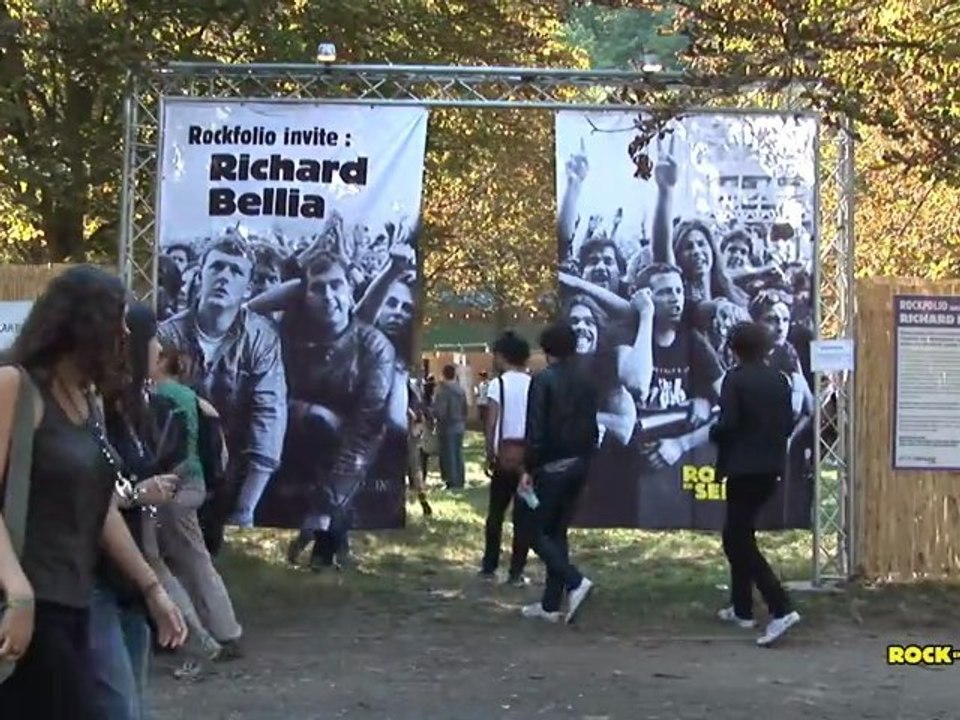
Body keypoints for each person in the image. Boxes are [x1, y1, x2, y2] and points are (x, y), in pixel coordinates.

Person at [0, 265, 186, 719]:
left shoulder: (89, 400)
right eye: (116, 320)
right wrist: (17, 589)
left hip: (72, 604)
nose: (126, 333)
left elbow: (100, 508)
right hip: (21, 609)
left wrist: (152, 588)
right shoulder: (15, 385)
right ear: (83, 324)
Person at [91, 302, 187, 720]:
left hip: (129, 577)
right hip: (95, 578)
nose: (160, 349)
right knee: (118, 706)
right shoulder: (94, 408)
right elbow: (86, 495)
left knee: (132, 703)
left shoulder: (134, 408)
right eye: (153, 341)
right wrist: (137, 493)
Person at [158, 230, 288, 528]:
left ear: (247, 288)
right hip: (179, 463)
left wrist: (245, 509)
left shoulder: (262, 337)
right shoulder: (168, 334)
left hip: (237, 465)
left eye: (236, 271)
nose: (224, 277)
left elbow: (269, 413)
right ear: (200, 275)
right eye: (216, 267)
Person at [709, 321, 801, 647]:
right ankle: (742, 609)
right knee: (739, 534)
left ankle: (780, 607)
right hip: (770, 468)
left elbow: (729, 424)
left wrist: (714, 433)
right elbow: (787, 424)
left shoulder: (735, 379)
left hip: (742, 468)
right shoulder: (780, 380)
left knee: (738, 540)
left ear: (733, 349)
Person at [152, 343, 244, 662]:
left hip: (168, 488)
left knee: (157, 563)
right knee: (190, 561)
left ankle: (197, 635)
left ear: (162, 362)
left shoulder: (157, 396)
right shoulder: (191, 398)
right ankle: (223, 630)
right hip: (192, 485)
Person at [516, 322, 598, 624]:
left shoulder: (543, 381)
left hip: (550, 467)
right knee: (557, 531)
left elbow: (534, 429)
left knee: (530, 528)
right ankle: (551, 605)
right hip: (579, 464)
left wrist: (528, 467)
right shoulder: (587, 382)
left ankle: (575, 581)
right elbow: (593, 428)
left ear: (546, 349)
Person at [479, 331, 532, 586]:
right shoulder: (534, 383)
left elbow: (491, 421)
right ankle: (516, 571)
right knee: (522, 517)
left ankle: (489, 565)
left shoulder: (498, 385)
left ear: (502, 356)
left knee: (496, 513)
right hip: (527, 459)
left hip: (504, 456)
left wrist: (489, 452)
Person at [434, 364, 467, 490]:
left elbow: (440, 411)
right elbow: (465, 408)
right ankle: (460, 478)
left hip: (447, 425)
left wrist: (434, 413)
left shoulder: (443, 390)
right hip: (460, 424)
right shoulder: (460, 390)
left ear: (444, 374)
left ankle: (452, 481)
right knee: (458, 452)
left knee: (449, 454)